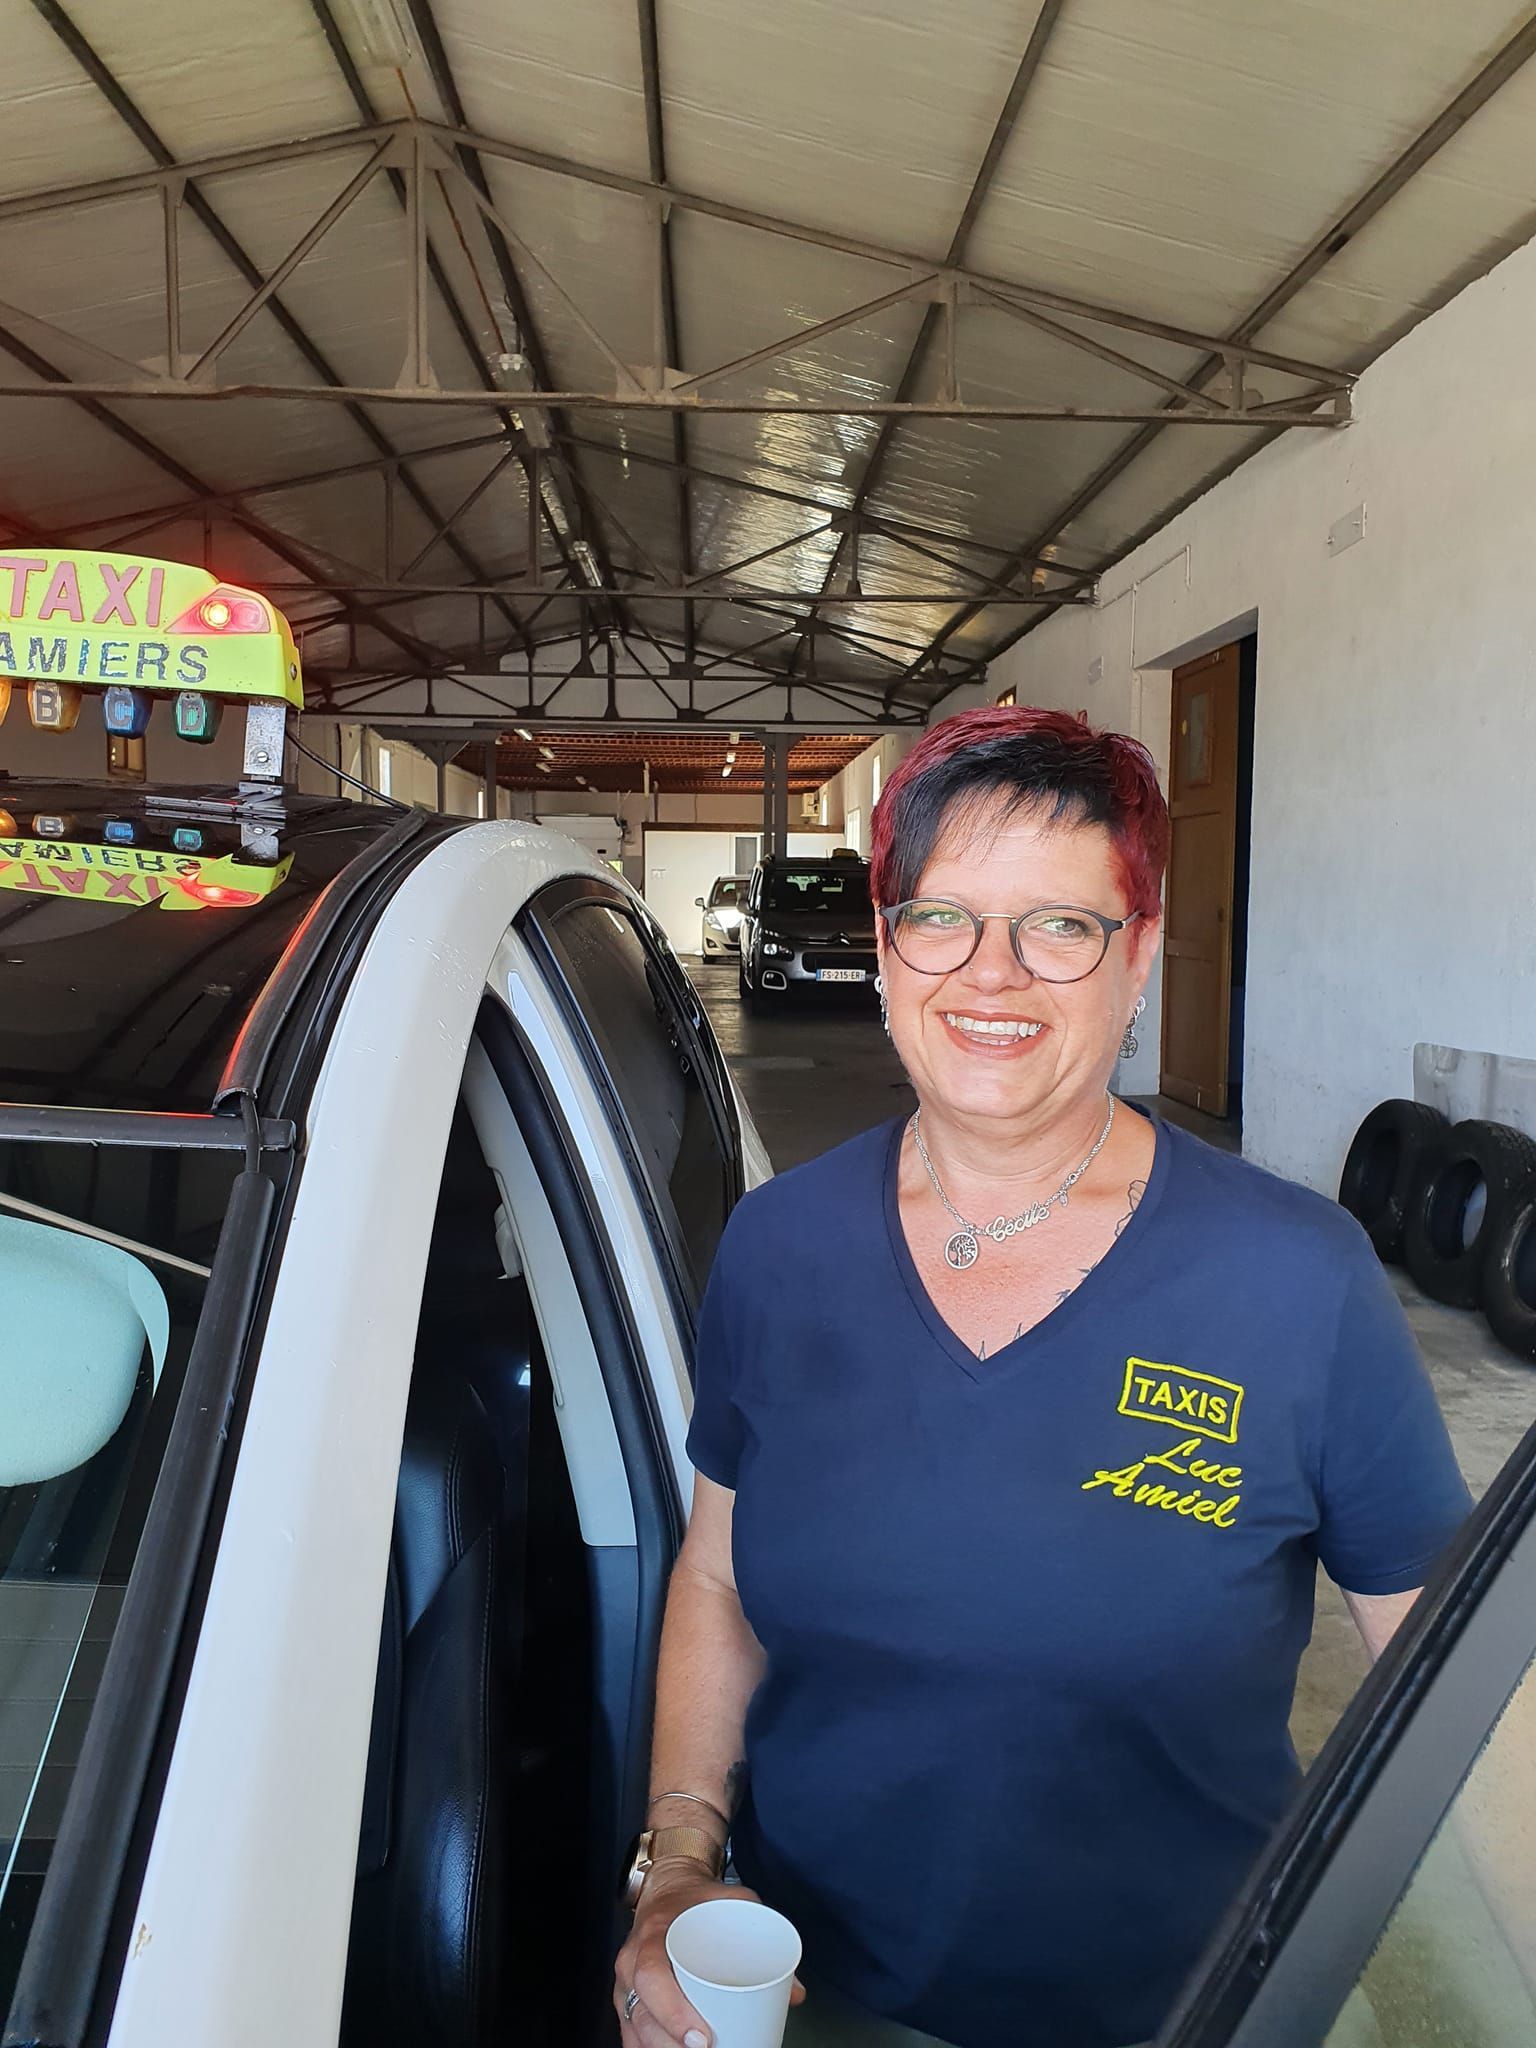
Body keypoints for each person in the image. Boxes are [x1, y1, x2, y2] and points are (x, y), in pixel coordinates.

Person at [614, 706, 1470, 2048]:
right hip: (815, 1991)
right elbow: (720, 1573)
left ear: (1136, 965)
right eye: (942, 917)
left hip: (1187, 2006)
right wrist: (675, 1867)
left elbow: (1458, 1678)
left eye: (1060, 927)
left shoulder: (1298, 1280)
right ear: (889, 955)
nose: (990, 977)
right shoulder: (783, 1246)